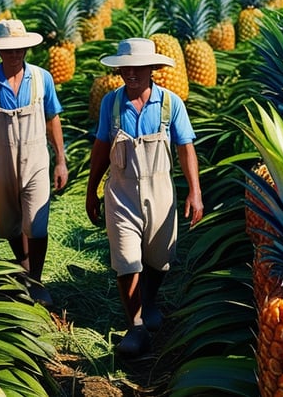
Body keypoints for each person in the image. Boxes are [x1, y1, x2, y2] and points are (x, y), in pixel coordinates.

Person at [85, 38, 204, 355]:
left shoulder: (170, 104)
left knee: (159, 260)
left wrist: (195, 191)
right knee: (127, 261)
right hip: (121, 192)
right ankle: (135, 326)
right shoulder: (111, 104)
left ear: (152, 68)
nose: (132, 74)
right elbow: (100, 150)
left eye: (138, 68)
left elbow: (185, 148)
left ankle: (149, 299)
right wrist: (91, 189)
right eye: (126, 68)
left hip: (160, 191)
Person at [0, 19, 68, 307]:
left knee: (37, 223)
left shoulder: (42, 78)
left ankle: (36, 279)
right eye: (8, 50)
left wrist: (61, 160)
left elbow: (52, 118)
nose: (15, 54)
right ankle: (22, 265)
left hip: (35, 159)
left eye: (19, 49)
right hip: (1, 160)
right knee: (9, 222)